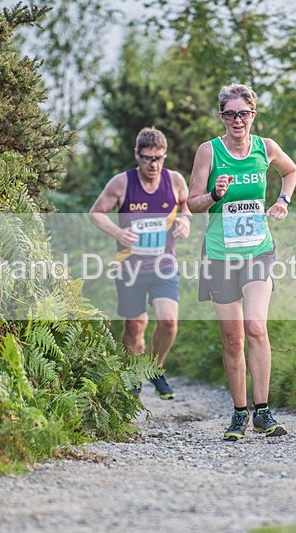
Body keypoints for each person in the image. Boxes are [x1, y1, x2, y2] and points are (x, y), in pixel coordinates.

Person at [187, 84, 296, 440]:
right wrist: (214, 195)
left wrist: (282, 200)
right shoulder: (209, 151)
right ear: (222, 116)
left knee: (256, 327)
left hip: (258, 250)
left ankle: (263, 412)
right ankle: (239, 413)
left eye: (244, 113)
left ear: (253, 115)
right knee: (232, 338)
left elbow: (291, 171)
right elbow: (192, 203)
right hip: (220, 255)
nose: (238, 120)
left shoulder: (265, 148)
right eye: (230, 114)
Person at [90, 127, 192, 399]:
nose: (153, 164)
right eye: (147, 158)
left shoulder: (175, 181)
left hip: (164, 264)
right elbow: (96, 213)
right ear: (137, 155)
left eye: (159, 158)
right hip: (130, 266)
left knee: (169, 321)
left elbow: (186, 206)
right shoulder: (122, 183)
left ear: (165, 156)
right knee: (134, 327)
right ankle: (132, 373)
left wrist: (185, 221)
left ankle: (155, 368)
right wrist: (118, 232)